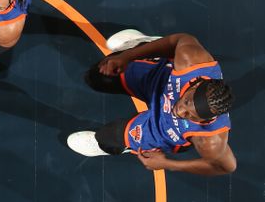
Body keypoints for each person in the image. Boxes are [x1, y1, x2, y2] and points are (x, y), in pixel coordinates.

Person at [67, 30, 237, 175]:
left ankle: (121, 145)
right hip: (160, 80)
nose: (179, 110)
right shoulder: (191, 60)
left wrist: (168, 165)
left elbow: (225, 166)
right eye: (186, 102)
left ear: (204, 122)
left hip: (167, 129)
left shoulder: (210, 140)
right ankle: (145, 44)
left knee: (107, 138)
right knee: (97, 76)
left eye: (190, 115)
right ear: (195, 84)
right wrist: (127, 56)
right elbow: (175, 41)